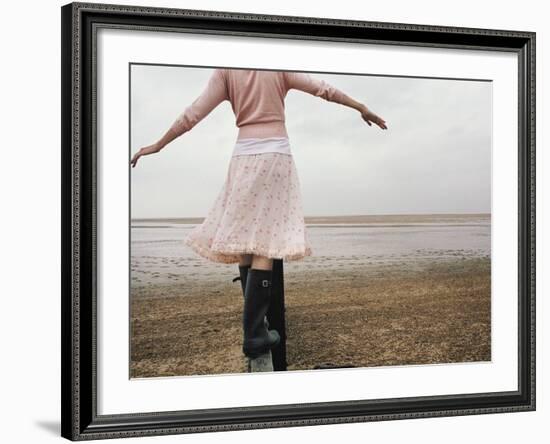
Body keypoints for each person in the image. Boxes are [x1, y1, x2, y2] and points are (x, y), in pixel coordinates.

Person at [131, 68, 387, 360]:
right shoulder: (276, 64)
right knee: (266, 242)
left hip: (242, 157)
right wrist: (362, 108)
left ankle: (256, 327)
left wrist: (157, 146)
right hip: (275, 155)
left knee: (244, 239)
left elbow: (191, 116)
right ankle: (254, 333)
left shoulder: (226, 70)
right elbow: (324, 89)